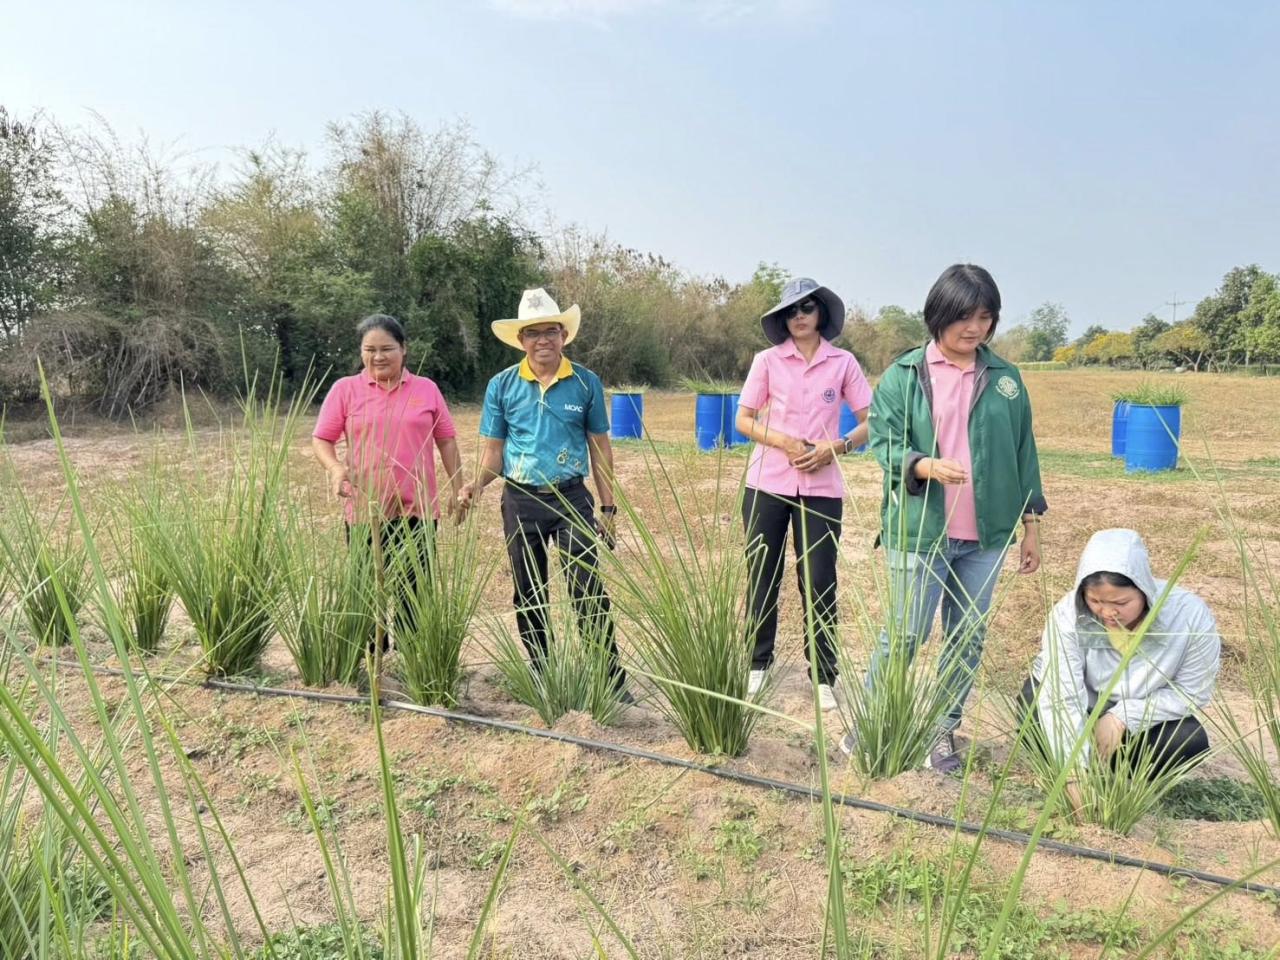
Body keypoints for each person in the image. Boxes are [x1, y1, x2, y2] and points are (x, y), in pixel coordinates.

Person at [856, 263, 1045, 772]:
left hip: (985, 538)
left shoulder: (1006, 379)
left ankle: (942, 731)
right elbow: (883, 441)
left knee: (966, 639)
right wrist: (922, 464)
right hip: (919, 531)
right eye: (964, 316)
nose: (974, 328)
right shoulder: (904, 375)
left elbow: (1024, 452)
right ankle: (874, 721)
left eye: (985, 317)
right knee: (906, 633)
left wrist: (1031, 526)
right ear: (939, 313)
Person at [457, 288, 628, 696]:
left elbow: (599, 447)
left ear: (563, 335)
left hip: (572, 497)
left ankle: (609, 677)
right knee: (528, 590)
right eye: (533, 333)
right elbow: (494, 455)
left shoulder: (585, 382)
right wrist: (474, 486)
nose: (543, 340)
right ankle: (542, 671)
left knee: (587, 587)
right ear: (521, 340)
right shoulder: (502, 386)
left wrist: (607, 507)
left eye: (551, 331)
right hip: (521, 499)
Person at [735, 277, 872, 711]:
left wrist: (838, 447)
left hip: (822, 489)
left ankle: (824, 674)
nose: (799, 316)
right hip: (767, 483)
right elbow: (743, 419)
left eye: (807, 308)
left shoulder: (843, 363)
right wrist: (782, 442)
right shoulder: (768, 361)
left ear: (821, 315)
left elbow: (872, 421)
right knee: (763, 574)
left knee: (818, 580)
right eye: (791, 310)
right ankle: (758, 663)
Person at [1021, 528, 1219, 812]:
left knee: (1188, 740)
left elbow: (1191, 692)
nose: (1108, 613)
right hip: (1081, 707)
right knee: (1031, 704)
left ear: (1144, 589)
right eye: (1096, 601)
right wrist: (1074, 775)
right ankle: (1073, 771)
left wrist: (1123, 716)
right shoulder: (1068, 615)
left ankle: (1123, 780)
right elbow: (1062, 697)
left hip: (1141, 721)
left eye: (1121, 603)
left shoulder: (1188, 616)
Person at [312, 313, 464, 645]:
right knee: (368, 590)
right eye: (370, 349)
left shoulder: (426, 389)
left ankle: (413, 657)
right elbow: (322, 439)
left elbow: (447, 440)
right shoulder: (345, 390)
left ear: (404, 349)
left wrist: (458, 487)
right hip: (366, 510)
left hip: (417, 510)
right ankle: (371, 660)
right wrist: (336, 468)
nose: (378, 357)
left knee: (414, 590)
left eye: (387, 349)